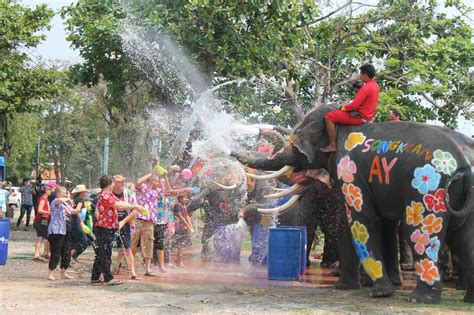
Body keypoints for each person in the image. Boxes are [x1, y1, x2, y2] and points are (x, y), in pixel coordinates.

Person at [91, 175, 144, 286]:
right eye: (113, 183)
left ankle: (95, 276)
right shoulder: (105, 196)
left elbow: (122, 203)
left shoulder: (109, 195)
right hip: (103, 228)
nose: (114, 185)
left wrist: (135, 206)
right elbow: (118, 205)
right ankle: (108, 278)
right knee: (105, 253)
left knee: (102, 253)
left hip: (107, 228)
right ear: (110, 184)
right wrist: (135, 206)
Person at [321, 64, 379, 153]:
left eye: (361, 74)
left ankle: (332, 145)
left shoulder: (366, 87)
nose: (360, 76)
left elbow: (354, 105)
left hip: (359, 118)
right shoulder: (375, 86)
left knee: (329, 116)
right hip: (368, 117)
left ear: (365, 75)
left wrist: (343, 108)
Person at [111, 175, 140, 280]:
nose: (123, 183)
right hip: (109, 223)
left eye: (124, 181)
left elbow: (136, 210)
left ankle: (132, 272)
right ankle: (106, 270)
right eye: (120, 182)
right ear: (114, 182)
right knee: (106, 247)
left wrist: (123, 222)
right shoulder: (108, 193)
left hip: (125, 222)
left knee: (127, 247)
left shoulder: (130, 193)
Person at [47, 186, 76, 280]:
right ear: (58, 193)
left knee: (67, 251)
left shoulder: (65, 204)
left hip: (66, 229)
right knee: (56, 252)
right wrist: (67, 198)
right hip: (56, 230)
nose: (66, 194)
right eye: (64, 192)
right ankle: (50, 273)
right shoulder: (55, 201)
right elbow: (59, 201)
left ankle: (64, 272)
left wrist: (84, 208)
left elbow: (72, 211)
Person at [70, 184, 90, 262]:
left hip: (72, 221)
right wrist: (81, 221)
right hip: (77, 221)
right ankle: (71, 256)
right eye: (84, 192)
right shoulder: (81, 200)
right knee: (84, 241)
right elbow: (78, 210)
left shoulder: (74, 199)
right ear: (82, 192)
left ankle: (71, 256)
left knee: (75, 240)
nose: (85, 193)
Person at [172, 195, 193, 267]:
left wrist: (190, 226)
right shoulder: (178, 206)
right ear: (180, 199)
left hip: (183, 227)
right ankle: (179, 260)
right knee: (179, 245)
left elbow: (187, 216)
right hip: (178, 227)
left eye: (187, 197)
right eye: (185, 197)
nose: (187, 199)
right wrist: (188, 225)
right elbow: (180, 216)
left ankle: (178, 259)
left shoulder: (184, 206)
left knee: (182, 245)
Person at [33, 185, 51, 261]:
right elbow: (39, 210)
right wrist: (50, 212)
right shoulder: (43, 199)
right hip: (41, 220)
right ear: (46, 191)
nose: (50, 191)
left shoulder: (46, 199)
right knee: (42, 236)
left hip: (44, 220)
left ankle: (37, 254)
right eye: (49, 189)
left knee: (41, 237)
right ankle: (38, 254)